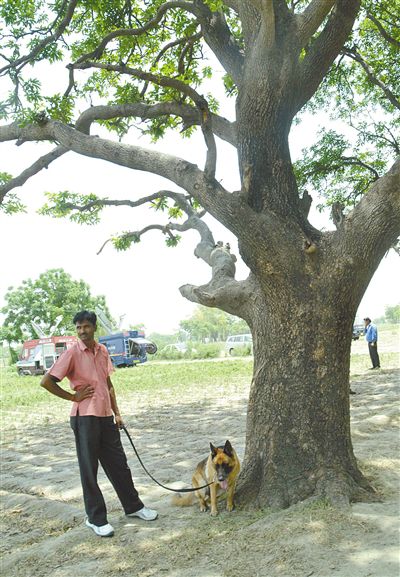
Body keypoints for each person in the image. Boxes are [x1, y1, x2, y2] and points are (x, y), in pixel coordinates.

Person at [40, 310, 158, 538]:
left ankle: (133, 507)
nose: (82, 331)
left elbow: (108, 383)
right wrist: (73, 397)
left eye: (85, 326)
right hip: (84, 419)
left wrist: (117, 413)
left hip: (105, 417)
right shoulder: (72, 353)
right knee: (89, 469)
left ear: (94, 328)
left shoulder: (103, 350)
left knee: (119, 465)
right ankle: (95, 518)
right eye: (78, 328)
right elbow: (47, 381)